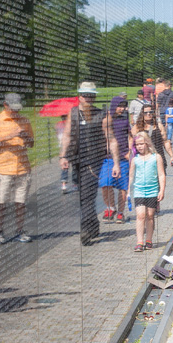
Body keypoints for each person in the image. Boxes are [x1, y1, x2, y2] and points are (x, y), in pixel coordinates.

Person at [61, 82, 118, 245]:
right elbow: (66, 135)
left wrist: (115, 163)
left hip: (93, 161)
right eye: (85, 95)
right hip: (76, 160)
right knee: (84, 196)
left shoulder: (103, 115)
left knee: (87, 195)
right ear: (79, 96)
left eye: (90, 96)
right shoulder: (73, 113)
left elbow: (111, 139)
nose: (88, 98)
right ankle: (93, 224)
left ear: (94, 97)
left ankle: (85, 230)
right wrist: (63, 157)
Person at [0, 92, 35, 243]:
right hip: (2, 169)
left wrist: (25, 136)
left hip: (22, 168)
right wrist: (9, 135)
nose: (16, 112)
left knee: (20, 202)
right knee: (1, 202)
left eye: (18, 109)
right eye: (13, 108)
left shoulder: (24, 120)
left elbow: (31, 144)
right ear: (5, 105)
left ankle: (20, 230)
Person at [127, 132, 165, 252]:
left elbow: (161, 175)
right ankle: (139, 241)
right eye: (137, 145)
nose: (139, 147)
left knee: (149, 216)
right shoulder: (135, 159)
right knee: (140, 215)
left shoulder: (156, 157)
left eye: (141, 144)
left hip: (152, 190)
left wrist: (162, 190)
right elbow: (131, 176)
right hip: (139, 191)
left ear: (147, 144)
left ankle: (148, 239)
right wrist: (128, 190)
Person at [99, 95, 132, 223]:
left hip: (124, 157)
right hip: (108, 157)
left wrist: (130, 151)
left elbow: (130, 137)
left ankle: (120, 212)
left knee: (123, 188)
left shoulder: (125, 121)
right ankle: (111, 207)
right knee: (105, 183)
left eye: (124, 106)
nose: (122, 109)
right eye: (120, 106)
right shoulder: (107, 120)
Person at [133, 104, 173, 170]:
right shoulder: (137, 128)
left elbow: (166, 142)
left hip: (158, 158)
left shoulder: (159, 126)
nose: (148, 114)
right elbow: (131, 144)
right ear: (142, 114)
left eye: (151, 112)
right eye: (146, 112)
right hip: (143, 160)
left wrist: (172, 156)